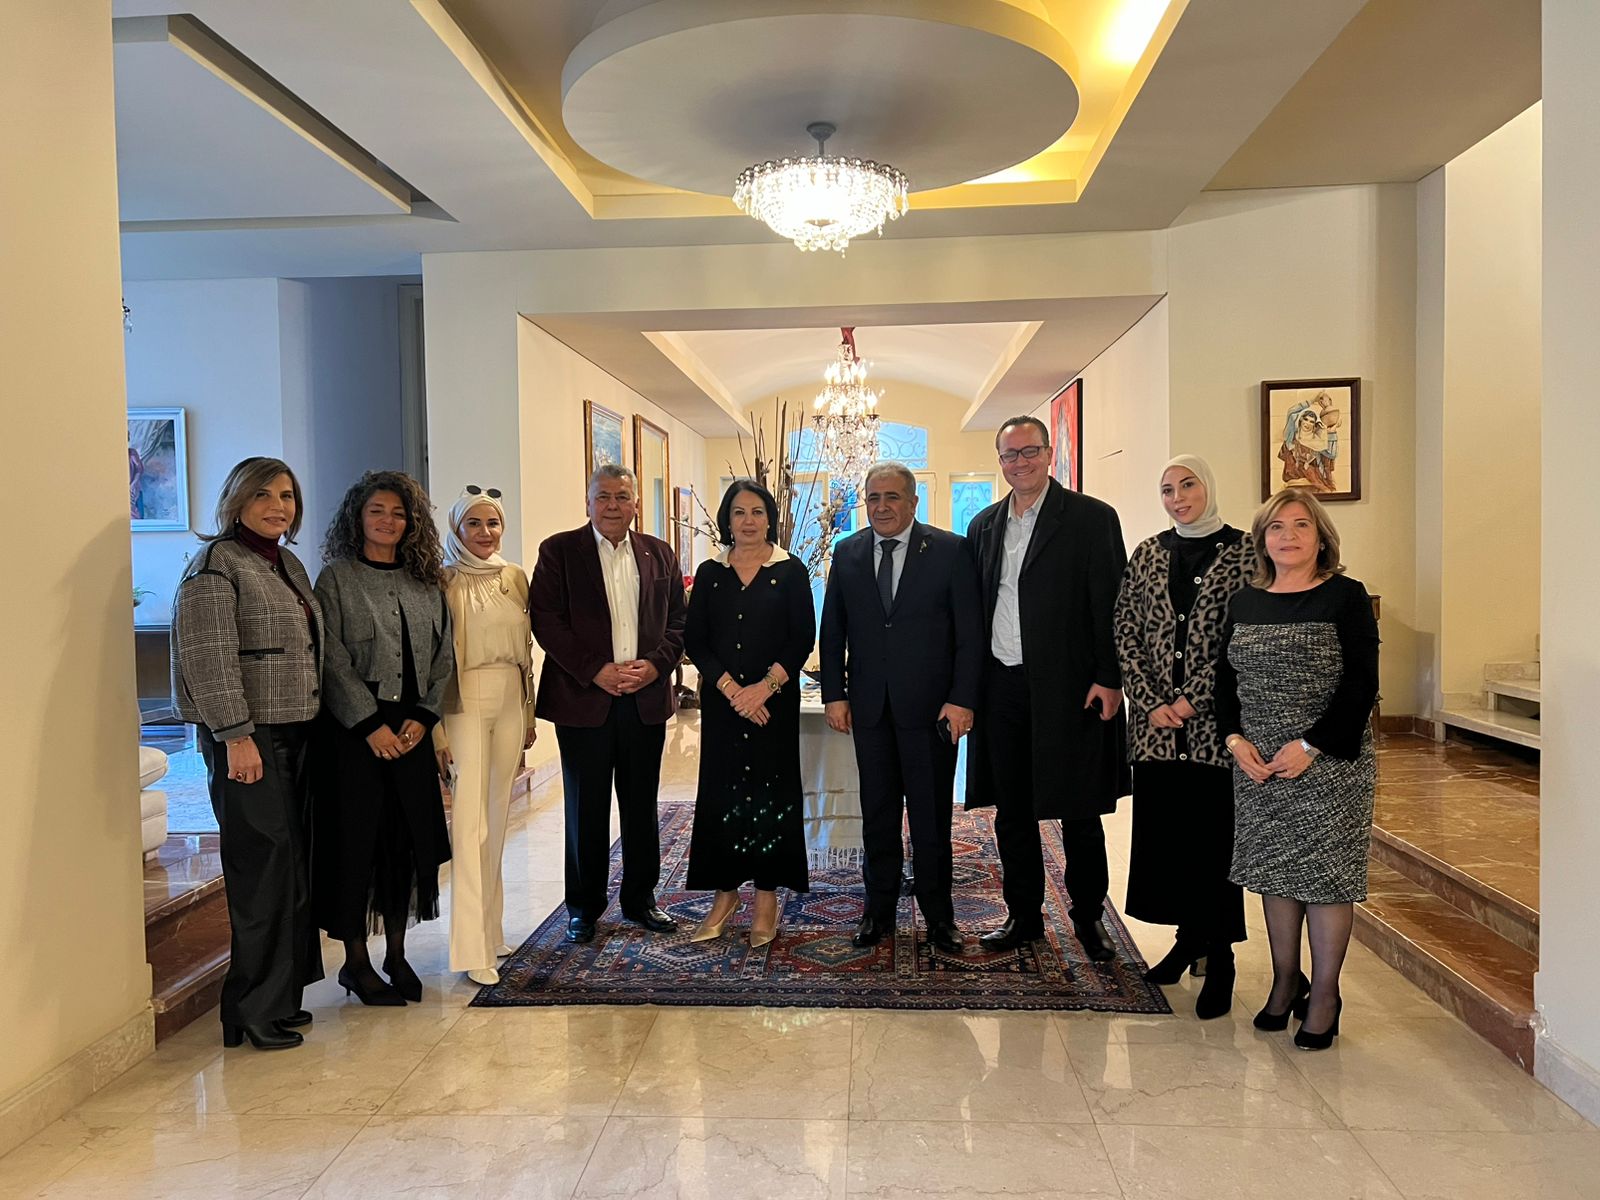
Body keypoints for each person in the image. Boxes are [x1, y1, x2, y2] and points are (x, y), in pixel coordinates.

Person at [1216, 488, 1379, 1050]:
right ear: (1262, 540)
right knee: (1274, 873)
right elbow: (1223, 683)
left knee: (1326, 880)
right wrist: (1235, 740)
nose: (1288, 536)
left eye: (1301, 525)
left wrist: (1310, 746)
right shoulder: (1244, 601)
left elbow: (1362, 683)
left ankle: (1326, 994)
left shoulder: (1345, 596)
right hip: (1259, 764)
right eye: (1276, 527)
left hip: (1328, 764)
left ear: (1321, 537)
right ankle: (1286, 979)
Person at [172, 457, 324, 1050]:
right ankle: (250, 1007)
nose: (277, 506)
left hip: (295, 732)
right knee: (261, 868)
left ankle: (278, 998)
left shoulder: (285, 562)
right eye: (263, 494)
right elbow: (207, 656)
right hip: (248, 738)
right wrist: (236, 735)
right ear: (236, 500)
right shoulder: (216, 565)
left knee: (290, 866)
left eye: (286, 496)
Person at [965, 416, 1130, 962]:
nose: (1020, 463)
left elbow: (1111, 604)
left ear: (1049, 452)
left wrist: (1109, 677)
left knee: (1078, 810)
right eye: (1009, 455)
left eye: (1029, 451)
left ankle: (1089, 918)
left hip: (1071, 689)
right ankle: (1023, 916)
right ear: (1000, 462)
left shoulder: (1091, 518)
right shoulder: (984, 525)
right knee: (1012, 811)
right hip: (1002, 687)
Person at [820, 461, 982, 955]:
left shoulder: (950, 550)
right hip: (869, 710)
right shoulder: (847, 552)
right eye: (874, 497)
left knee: (931, 819)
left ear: (913, 502)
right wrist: (834, 694)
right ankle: (878, 911)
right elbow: (833, 630)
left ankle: (939, 917)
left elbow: (970, 634)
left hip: (932, 712)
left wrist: (962, 699)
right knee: (878, 814)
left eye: (892, 497)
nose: (882, 506)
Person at [1114, 456, 1253, 1017]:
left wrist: (1193, 698)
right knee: (1168, 839)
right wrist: (1150, 701)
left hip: (1215, 729)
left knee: (1213, 842)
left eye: (1188, 484)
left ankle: (1220, 955)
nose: (1178, 497)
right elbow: (1125, 627)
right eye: (1167, 489)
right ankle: (1186, 939)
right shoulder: (1148, 552)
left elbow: (1242, 637)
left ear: (1208, 486)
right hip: (1155, 731)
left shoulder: (1247, 553)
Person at [530, 464, 687, 944]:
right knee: (586, 808)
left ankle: (640, 900)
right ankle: (583, 908)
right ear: (588, 502)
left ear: (636, 503)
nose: (613, 505)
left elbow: (679, 622)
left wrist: (655, 666)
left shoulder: (659, 553)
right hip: (584, 700)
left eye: (622, 496)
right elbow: (547, 620)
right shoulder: (559, 552)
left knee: (641, 806)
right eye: (603, 496)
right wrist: (594, 670)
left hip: (644, 700)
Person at [314, 471, 454, 1006]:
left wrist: (425, 716)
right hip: (355, 736)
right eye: (377, 511)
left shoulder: (426, 581)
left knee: (404, 843)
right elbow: (331, 659)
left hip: (412, 730)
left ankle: (397, 953)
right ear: (358, 517)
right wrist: (369, 725)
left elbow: (444, 656)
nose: (388, 521)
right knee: (358, 846)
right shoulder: (336, 579)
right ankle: (356, 963)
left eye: (398, 513)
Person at [682, 479, 815, 946]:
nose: (749, 521)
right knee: (722, 796)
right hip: (724, 707)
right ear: (727, 520)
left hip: (773, 707)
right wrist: (733, 691)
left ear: (770, 518)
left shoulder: (791, 571)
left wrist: (763, 689)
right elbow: (695, 640)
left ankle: (765, 896)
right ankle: (725, 894)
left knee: (771, 797)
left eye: (757, 512)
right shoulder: (710, 573)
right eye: (739, 512)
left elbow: (802, 638)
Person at [432, 486, 536, 986]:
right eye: (473, 523)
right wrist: (436, 730)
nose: (485, 532)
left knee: (497, 819)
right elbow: (433, 658)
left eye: (492, 523)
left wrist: (529, 712)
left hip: (510, 697)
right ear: (456, 528)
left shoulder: (514, 576)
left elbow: (526, 650)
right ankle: (470, 947)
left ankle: (491, 931)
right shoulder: (443, 579)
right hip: (464, 700)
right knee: (470, 823)